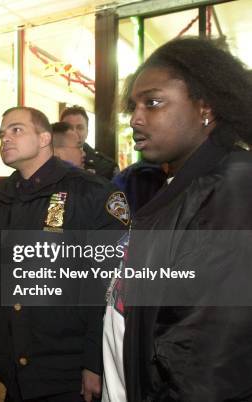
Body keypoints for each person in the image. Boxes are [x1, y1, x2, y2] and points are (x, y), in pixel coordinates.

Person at [103, 37, 252, 402]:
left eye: (153, 103)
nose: (136, 118)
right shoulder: (177, 185)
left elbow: (207, 360)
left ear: (206, 107)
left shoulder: (233, 187)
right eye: (133, 106)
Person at [0, 107, 128, 402]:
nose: (5, 138)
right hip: (12, 368)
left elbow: (112, 283)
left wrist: (95, 360)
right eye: (2, 133)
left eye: (16, 130)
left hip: (68, 372)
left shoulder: (91, 194)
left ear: (44, 138)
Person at [60, 105, 118, 180]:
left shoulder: (106, 167)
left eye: (80, 128)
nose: (74, 132)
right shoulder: (46, 162)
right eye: (68, 127)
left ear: (87, 132)